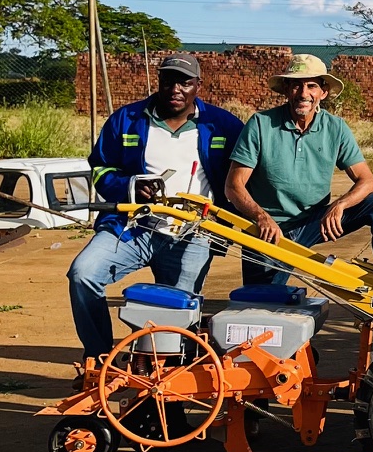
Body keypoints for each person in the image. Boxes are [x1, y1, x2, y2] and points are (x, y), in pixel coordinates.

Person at [68, 54, 244, 361]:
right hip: (131, 228)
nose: (176, 89)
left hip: (192, 234)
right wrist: (130, 186)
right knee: (83, 273)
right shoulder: (127, 119)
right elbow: (100, 168)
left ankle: (167, 372)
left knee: (177, 310)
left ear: (198, 86)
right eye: (168, 81)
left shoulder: (223, 124)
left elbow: (245, 171)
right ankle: (98, 358)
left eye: (184, 83)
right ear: (158, 82)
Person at [226, 54, 373, 286]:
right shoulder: (260, 124)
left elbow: (367, 180)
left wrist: (340, 205)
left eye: (311, 86)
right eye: (296, 85)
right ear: (286, 89)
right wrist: (261, 217)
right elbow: (233, 186)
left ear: (323, 92)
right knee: (262, 299)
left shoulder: (336, 127)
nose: (303, 93)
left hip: (315, 222)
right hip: (270, 229)